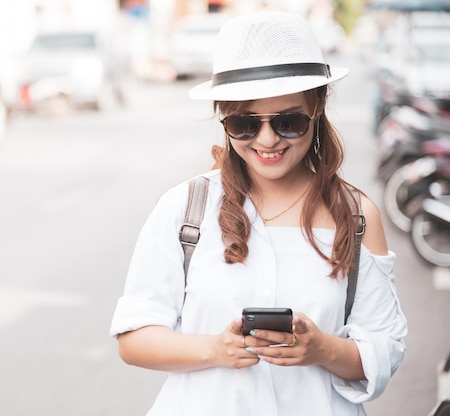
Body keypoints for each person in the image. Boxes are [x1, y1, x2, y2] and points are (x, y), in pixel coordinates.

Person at [110, 11, 407, 415]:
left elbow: (384, 349)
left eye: (288, 121)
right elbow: (133, 338)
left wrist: (321, 349)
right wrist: (215, 349)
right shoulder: (185, 208)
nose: (267, 140)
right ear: (223, 118)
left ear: (317, 108)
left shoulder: (356, 217)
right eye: (244, 124)